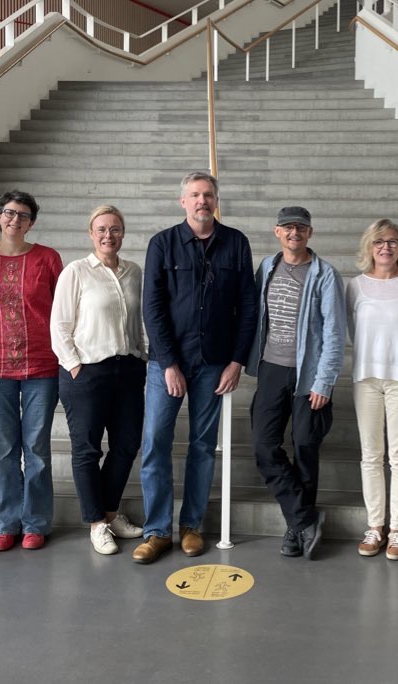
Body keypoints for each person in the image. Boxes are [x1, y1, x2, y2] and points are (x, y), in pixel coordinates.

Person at [135, 172, 256, 564]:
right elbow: (151, 309)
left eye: (208, 195)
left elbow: (248, 308)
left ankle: (191, 526)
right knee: (155, 441)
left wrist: (237, 360)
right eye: (195, 195)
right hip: (167, 363)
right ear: (182, 201)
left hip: (215, 363)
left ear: (216, 200)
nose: (202, 201)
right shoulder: (162, 244)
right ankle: (156, 531)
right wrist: (169, 363)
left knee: (203, 446)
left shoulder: (236, 243)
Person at [246, 206, 346, 560]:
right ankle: (304, 519)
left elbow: (334, 332)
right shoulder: (267, 267)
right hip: (272, 368)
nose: (294, 233)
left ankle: (295, 530)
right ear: (277, 232)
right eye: (288, 228)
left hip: (309, 376)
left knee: (305, 446)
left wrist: (325, 381)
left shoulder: (325, 275)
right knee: (263, 445)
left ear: (310, 233)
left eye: (300, 228)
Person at [50, 205, 147, 555]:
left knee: (126, 444)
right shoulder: (75, 272)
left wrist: (141, 352)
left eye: (116, 229)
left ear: (123, 233)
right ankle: (96, 523)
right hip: (87, 372)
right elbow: (59, 326)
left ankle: (109, 512)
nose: (109, 235)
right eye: (102, 229)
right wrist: (75, 366)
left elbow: (138, 320)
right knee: (87, 450)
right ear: (91, 234)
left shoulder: (134, 271)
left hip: (129, 370)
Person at [0, 191, 63, 552]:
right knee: (5, 448)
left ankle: (36, 522)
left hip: (43, 364)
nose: (15, 220)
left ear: (32, 223)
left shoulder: (48, 258)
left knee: (37, 448)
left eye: (23, 215)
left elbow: (64, 310)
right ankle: (5, 523)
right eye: (9, 213)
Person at [347, 219, 398, 561]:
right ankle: (375, 526)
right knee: (370, 455)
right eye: (380, 242)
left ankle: (397, 529)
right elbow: (353, 331)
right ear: (369, 247)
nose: (386, 248)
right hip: (367, 378)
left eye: (393, 242)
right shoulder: (355, 286)